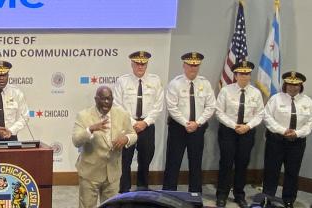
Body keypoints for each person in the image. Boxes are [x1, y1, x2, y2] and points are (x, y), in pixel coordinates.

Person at [72, 85, 137, 208]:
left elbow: (133, 135)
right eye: (103, 99)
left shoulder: (122, 114)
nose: (106, 102)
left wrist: (126, 139)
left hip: (113, 173)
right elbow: (76, 141)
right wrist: (90, 130)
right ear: (96, 99)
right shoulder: (84, 116)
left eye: (109, 99)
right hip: (90, 173)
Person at [162, 52, 215, 193]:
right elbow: (172, 107)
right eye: (190, 65)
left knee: (196, 162)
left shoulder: (205, 84)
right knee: (173, 162)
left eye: (196, 65)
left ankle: (195, 194)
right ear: (184, 65)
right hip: (178, 128)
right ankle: (169, 194)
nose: (193, 68)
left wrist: (198, 123)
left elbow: (211, 106)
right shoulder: (175, 84)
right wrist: (186, 123)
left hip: (198, 128)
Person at [262, 71, 312, 208]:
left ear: (301, 85)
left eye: (296, 85)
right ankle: (267, 198)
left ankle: (288, 199)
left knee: (292, 172)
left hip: (297, 142)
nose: (293, 87)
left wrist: (297, 133)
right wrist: (283, 130)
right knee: (271, 170)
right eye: (289, 84)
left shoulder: (308, 101)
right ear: (285, 85)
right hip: (276, 140)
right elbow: (267, 117)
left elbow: (311, 121)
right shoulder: (275, 99)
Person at [214, 60, 264, 208]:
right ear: (235, 75)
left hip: (247, 132)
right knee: (226, 163)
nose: (244, 76)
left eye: (247, 74)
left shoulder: (256, 93)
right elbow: (219, 112)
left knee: (242, 163)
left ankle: (239, 195)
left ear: (250, 75)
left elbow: (260, 114)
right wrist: (234, 125)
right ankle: (222, 195)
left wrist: (247, 126)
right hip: (228, 131)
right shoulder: (226, 91)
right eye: (241, 74)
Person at [113, 51, 164, 192]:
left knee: (145, 159)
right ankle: (124, 190)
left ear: (147, 64)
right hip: (127, 126)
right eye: (137, 63)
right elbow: (117, 104)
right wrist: (133, 122)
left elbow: (158, 106)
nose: (140, 66)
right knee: (125, 160)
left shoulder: (155, 81)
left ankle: (142, 189)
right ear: (132, 64)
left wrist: (145, 123)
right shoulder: (122, 81)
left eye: (143, 64)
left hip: (147, 126)